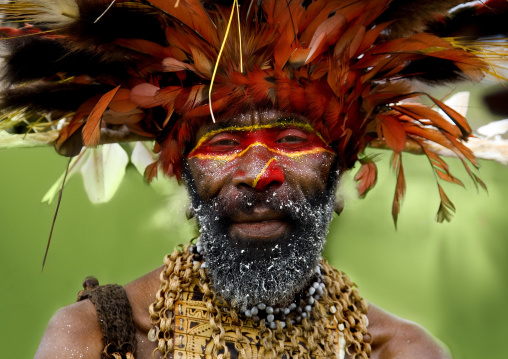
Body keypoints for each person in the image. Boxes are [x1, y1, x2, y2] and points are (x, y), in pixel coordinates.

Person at [1, 0, 506, 358]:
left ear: (339, 166)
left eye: (291, 141)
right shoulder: (95, 339)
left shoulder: (402, 352)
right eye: (223, 145)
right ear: (186, 175)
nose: (259, 174)